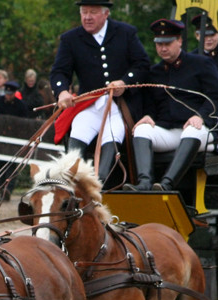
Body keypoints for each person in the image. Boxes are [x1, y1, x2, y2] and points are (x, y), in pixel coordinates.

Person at [49, 0, 151, 182]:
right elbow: (59, 72)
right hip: (89, 105)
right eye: (84, 12)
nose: (87, 17)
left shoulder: (126, 33)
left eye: (93, 12)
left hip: (120, 106)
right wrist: (62, 92)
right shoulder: (70, 39)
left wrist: (124, 82)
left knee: (115, 132)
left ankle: (99, 182)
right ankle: (68, 180)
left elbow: (142, 64)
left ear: (106, 14)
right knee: (78, 129)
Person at [124, 19, 218, 192]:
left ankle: (166, 184)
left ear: (179, 41)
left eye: (168, 43)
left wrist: (200, 116)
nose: (163, 48)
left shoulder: (201, 64)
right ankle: (144, 183)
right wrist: (148, 115)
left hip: (200, 130)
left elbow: (217, 98)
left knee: (192, 129)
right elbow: (151, 104)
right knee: (142, 129)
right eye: (159, 44)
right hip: (169, 131)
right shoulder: (154, 72)